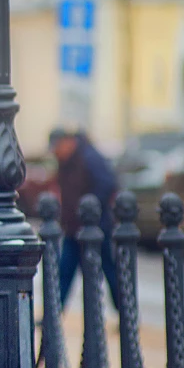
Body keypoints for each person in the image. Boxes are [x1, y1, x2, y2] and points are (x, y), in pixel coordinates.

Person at [49, 128, 119, 310]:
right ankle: (53, 314)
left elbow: (108, 183)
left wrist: (88, 208)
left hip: (96, 227)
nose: (56, 153)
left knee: (108, 271)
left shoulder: (89, 157)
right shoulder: (66, 161)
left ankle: (125, 314)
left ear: (67, 142)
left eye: (57, 147)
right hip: (73, 228)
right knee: (65, 271)